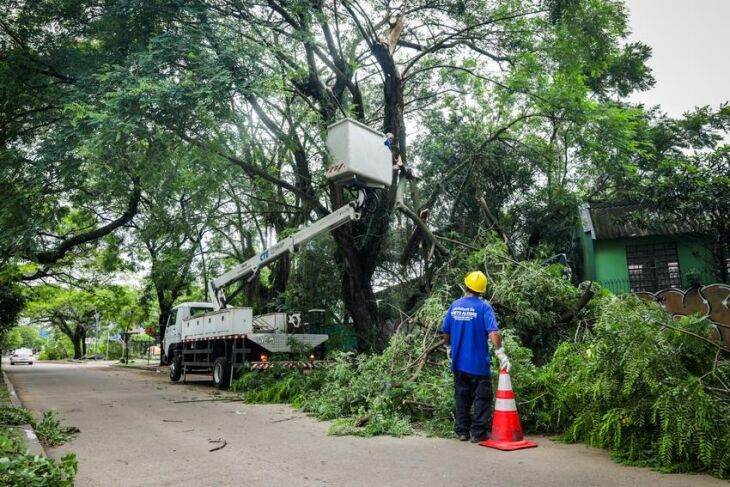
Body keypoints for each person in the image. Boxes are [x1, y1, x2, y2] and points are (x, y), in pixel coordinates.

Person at [440, 270, 511, 443]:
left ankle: (462, 432)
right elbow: (493, 332)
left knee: (462, 397)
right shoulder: (484, 307)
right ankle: (478, 432)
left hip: (458, 363)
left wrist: (448, 347)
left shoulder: (454, 305)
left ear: (466, 286)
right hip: (478, 364)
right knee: (483, 398)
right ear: (481, 290)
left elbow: (446, 331)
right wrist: (500, 353)